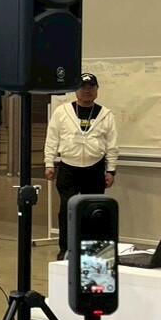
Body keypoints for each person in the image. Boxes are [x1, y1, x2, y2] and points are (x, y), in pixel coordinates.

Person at [45, 72, 118, 260]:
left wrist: (111, 170)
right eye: (83, 87)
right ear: (76, 90)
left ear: (97, 89)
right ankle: (65, 250)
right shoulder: (62, 112)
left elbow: (112, 145)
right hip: (68, 167)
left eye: (91, 87)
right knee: (66, 209)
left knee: (94, 211)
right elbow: (52, 138)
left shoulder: (105, 114)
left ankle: (92, 251)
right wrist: (49, 162)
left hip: (95, 168)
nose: (87, 91)